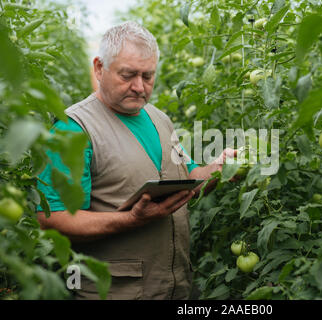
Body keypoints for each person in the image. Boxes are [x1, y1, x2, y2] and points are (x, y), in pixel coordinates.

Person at [36, 21, 237, 300]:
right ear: (99, 68)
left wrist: (218, 170)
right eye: (128, 75)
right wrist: (129, 219)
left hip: (173, 288)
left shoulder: (159, 119)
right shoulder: (74, 128)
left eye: (148, 76)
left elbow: (189, 177)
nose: (139, 87)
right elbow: (52, 219)